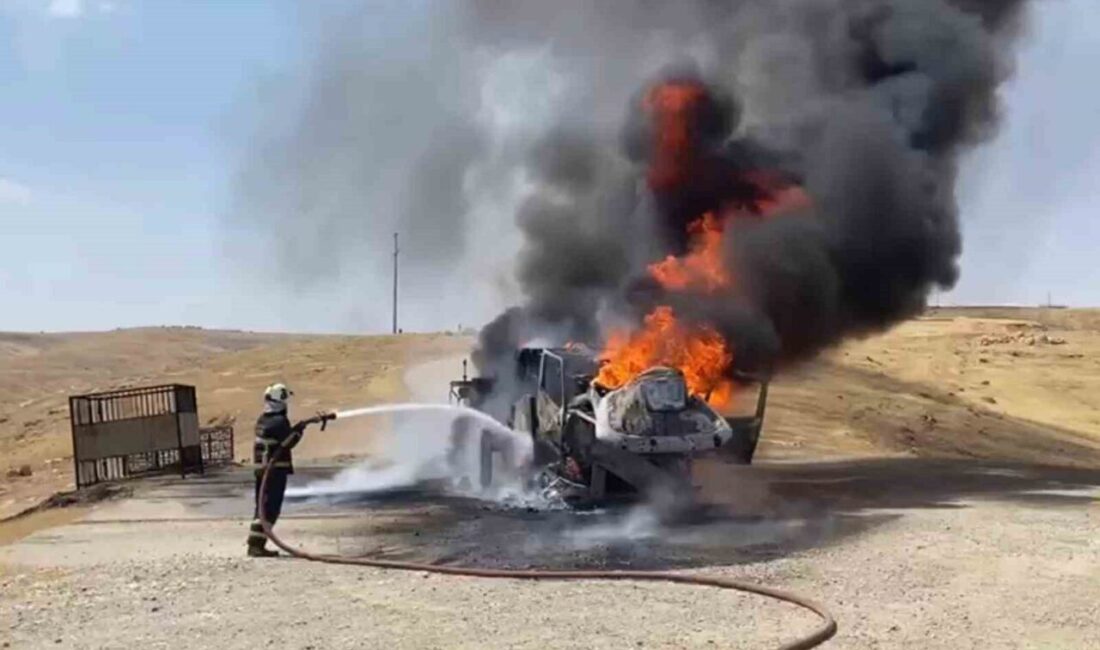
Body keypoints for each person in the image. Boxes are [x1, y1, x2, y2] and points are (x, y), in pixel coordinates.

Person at [247, 383, 310, 558]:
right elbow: (289, 442)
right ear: (280, 401)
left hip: (263, 471)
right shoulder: (280, 422)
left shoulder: (263, 419)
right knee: (270, 509)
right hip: (274, 472)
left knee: (261, 507)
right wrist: (298, 431)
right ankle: (255, 546)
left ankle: (255, 544)